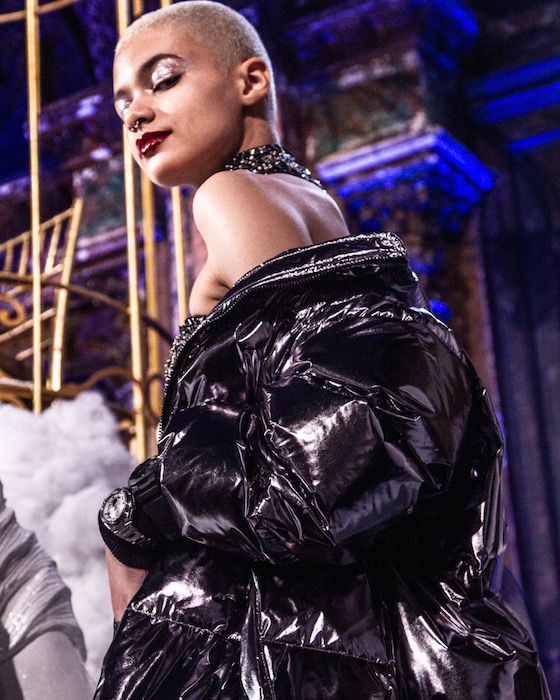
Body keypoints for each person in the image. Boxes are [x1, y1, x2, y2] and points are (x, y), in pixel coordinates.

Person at [95, 2, 551, 698]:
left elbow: (310, 463)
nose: (136, 113)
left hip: (281, 643)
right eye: (123, 101)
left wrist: (149, 506)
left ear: (251, 81)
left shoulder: (227, 195)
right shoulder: (310, 201)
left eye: (163, 80)